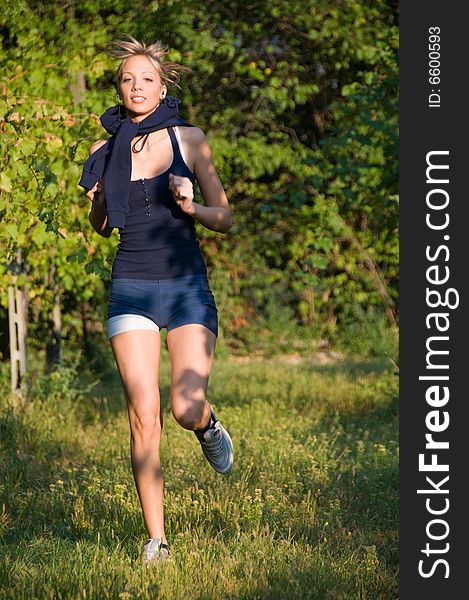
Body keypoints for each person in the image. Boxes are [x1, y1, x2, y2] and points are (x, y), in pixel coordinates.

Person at [79, 37, 234, 566]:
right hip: (131, 288)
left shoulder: (190, 140)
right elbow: (101, 228)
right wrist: (99, 202)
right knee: (143, 416)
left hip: (187, 284)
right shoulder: (104, 152)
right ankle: (157, 540)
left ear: (161, 87)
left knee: (183, 408)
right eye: (127, 79)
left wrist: (190, 206)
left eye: (146, 78)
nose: (137, 86)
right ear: (119, 90)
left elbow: (225, 217)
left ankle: (207, 423)